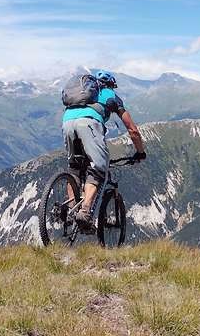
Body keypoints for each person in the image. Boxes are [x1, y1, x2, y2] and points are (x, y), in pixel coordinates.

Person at [62, 70, 146, 232]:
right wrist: (140, 152)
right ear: (112, 84)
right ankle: (85, 212)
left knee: (74, 168)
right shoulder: (111, 95)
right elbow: (132, 130)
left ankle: (71, 211)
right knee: (98, 170)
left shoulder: (83, 94)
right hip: (88, 124)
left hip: (67, 122)